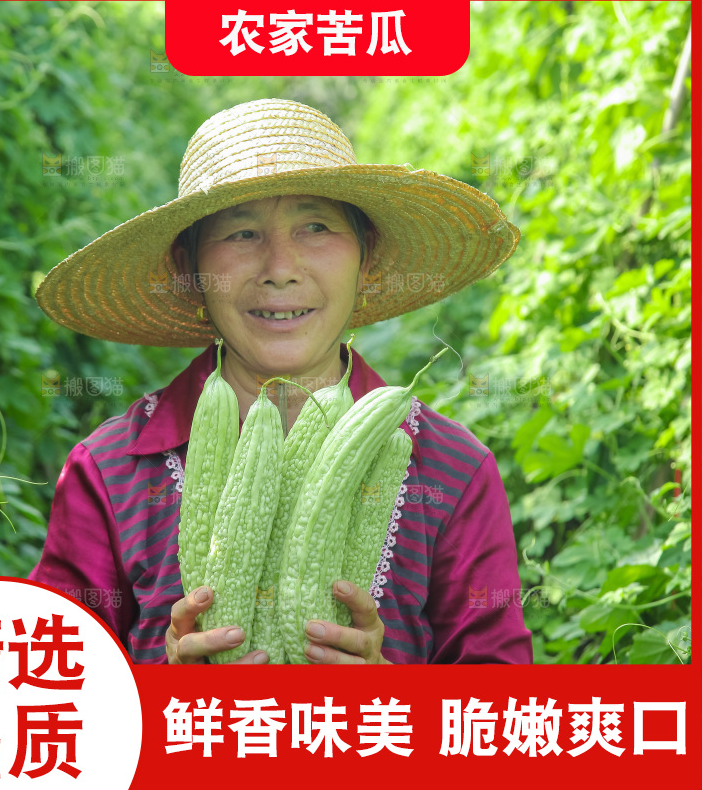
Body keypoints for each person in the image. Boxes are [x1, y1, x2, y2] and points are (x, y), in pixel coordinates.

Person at [31, 98, 533, 665]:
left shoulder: (453, 472)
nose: (280, 269)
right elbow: (48, 687)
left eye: (316, 227)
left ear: (366, 260)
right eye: (241, 233)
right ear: (189, 273)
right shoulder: (108, 472)